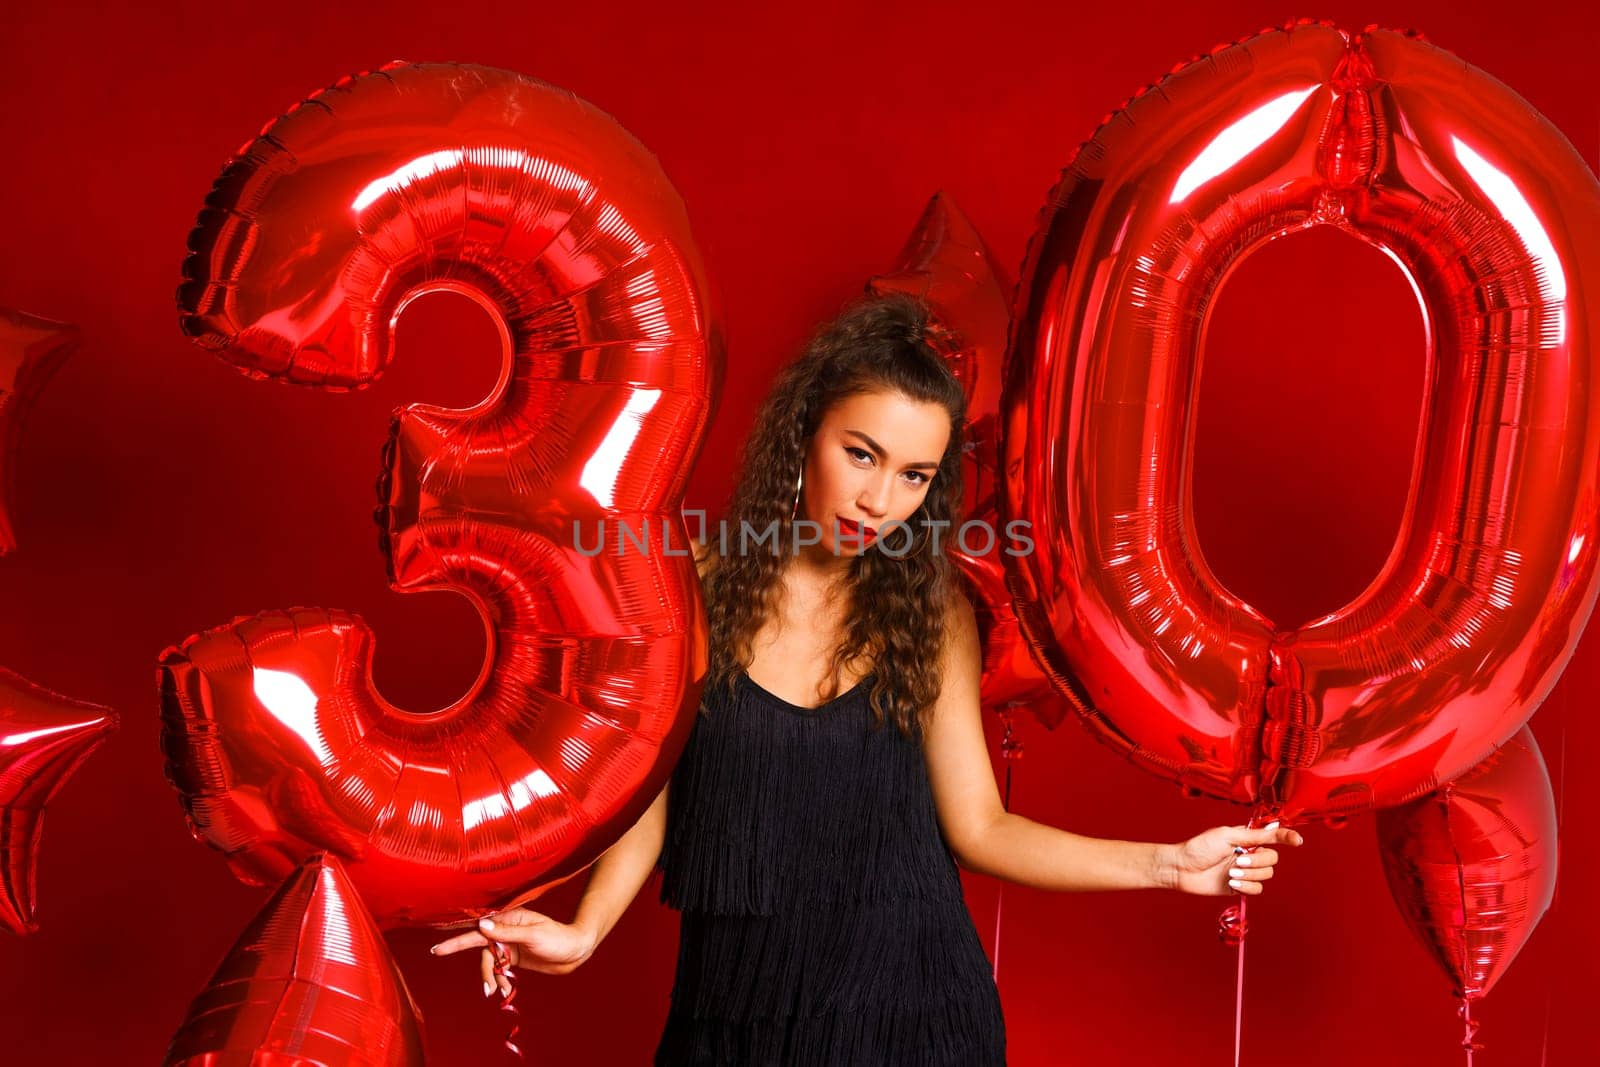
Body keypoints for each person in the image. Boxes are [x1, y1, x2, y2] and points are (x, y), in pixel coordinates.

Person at [431, 293, 1304, 1064]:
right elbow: (645, 790)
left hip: (919, 1018)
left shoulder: (934, 616)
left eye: (914, 475)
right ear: (805, 431)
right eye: (862, 453)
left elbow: (980, 828)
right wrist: (587, 927)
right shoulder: (686, 589)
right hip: (734, 1019)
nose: (880, 500)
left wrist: (1168, 866)